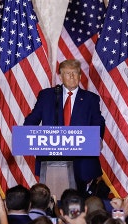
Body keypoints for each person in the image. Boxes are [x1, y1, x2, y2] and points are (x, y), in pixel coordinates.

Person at [24, 59, 106, 193]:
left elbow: (98, 121)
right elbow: (33, 119)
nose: (72, 76)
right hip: (51, 159)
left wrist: (98, 138)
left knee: (79, 201)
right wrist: (26, 135)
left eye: (75, 73)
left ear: (80, 76)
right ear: (61, 77)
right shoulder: (47, 96)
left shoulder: (91, 99)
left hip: (82, 161)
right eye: (68, 73)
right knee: (52, 199)